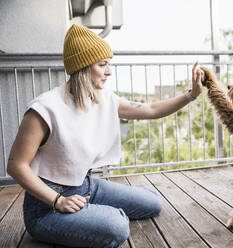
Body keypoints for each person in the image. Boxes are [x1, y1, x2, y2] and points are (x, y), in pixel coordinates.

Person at [6, 24, 204, 248]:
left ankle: (92, 214)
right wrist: (57, 200)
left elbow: (150, 110)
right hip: (47, 207)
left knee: (153, 203)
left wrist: (191, 95)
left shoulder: (102, 98)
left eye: (108, 64)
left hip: (86, 188)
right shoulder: (44, 109)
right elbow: (16, 165)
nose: (109, 71)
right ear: (82, 67)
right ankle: (92, 217)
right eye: (102, 65)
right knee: (117, 227)